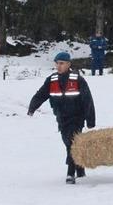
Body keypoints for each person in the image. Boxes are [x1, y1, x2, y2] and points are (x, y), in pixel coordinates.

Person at [28, 52, 96, 184]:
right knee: (68, 143)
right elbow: (41, 94)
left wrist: (90, 120)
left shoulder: (78, 79)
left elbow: (88, 100)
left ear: (69, 64)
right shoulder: (51, 80)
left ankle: (71, 173)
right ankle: (80, 168)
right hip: (62, 118)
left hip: (77, 117)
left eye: (62, 63)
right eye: (57, 63)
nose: (58, 66)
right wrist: (32, 107)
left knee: (72, 143)